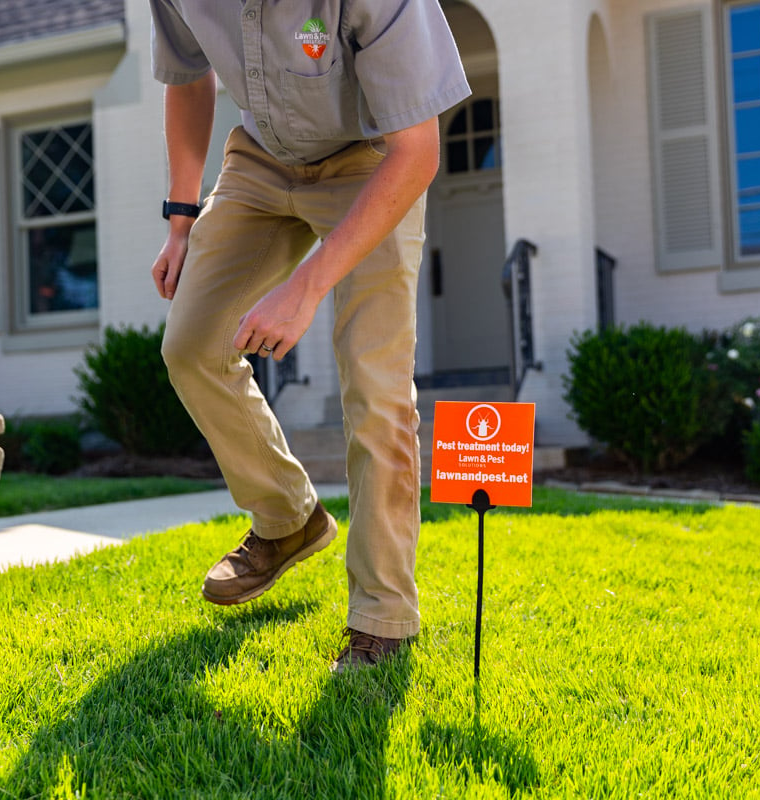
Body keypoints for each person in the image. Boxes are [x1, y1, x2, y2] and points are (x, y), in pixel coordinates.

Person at [148, 1, 470, 672]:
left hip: (373, 163)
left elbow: (418, 151)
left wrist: (305, 287)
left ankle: (383, 618)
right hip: (260, 158)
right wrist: (181, 217)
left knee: (376, 390)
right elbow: (186, 73)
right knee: (191, 347)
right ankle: (288, 518)